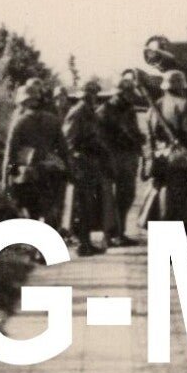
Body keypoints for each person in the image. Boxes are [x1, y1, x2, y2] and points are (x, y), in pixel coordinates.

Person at [142, 69, 187, 258]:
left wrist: (150, 162)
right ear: (181, 86)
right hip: (184, 162)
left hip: (162, 162)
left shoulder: (153, 107)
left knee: (164, 206)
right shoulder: (183, 105)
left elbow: (148, 139)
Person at [2, 78, 68, 229]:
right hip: (52, 171)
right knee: (51, 211)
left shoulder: (19, 122)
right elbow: (63, 149)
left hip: (29, 174)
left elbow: (10, 154)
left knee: (32, 214)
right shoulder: (53, 119)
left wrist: (7, 181)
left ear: (23, 102)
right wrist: (67, 171)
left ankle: (36, 249)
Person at [63, 79, 112, 256]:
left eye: (94, 94)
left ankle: (86, 242)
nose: (93, 97)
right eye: (90, 94)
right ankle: (82, 244)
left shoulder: (89, 112)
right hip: (81, 163)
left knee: (90, 204)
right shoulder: (77, 112)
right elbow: (68, 141)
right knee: (82, 205)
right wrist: (74, 162)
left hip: (91, 163)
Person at [99, 72, 147, 246]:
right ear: (118, 93)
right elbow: (100, 137)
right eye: (126, 94)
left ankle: (120, 232)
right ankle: (108, 235)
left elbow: (133, 130)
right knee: (108, 198)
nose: (129, 97)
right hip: (112, 157)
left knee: (127, 195)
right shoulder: (105, 111)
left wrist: (139, 138)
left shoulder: (129, 110)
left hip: (128, 157)